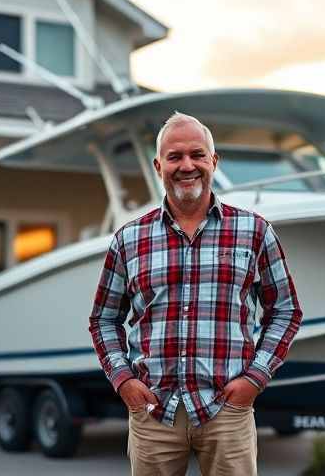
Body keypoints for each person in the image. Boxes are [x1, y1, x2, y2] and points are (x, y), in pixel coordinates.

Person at [88, 112, 303, 475]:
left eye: (197, 155)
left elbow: (285, 311)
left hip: (227, 412)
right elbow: (104, 319)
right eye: (175, 157)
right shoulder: (128, 240)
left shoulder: (254, 231)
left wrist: (255, 379)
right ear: (159, 166)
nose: (187, 165)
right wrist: (124, 381)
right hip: (154, 413)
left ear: (213, 161)